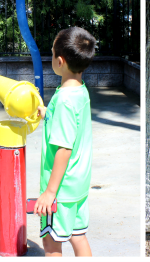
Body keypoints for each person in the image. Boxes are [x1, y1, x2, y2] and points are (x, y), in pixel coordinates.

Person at [34, 27, 96, 257]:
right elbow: (72, 125)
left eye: (51, 54)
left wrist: (50, 192)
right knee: (78, 236)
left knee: (51, 244)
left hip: (60, 189)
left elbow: (64, 148)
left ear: (60, 61)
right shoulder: (80, 92)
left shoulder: (63, 101)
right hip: (78, 185)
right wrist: (46, 112)